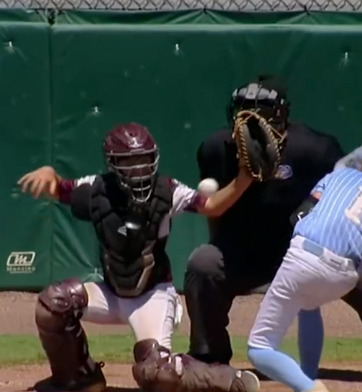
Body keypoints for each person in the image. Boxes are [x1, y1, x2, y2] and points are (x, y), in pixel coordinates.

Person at [17, 123, 260, 392]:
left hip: (151, 295)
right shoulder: (97, 189)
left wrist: (244, 178)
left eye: (144, 161)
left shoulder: (167, 190)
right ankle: (80, 379)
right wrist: (49, 172)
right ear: (113, 163)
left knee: (157, 374)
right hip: (110, 292)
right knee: (55, 303)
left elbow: (213, 206)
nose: (139, 169)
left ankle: (222, 378)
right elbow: (57, 188)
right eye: (130, 162)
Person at [184, 75, 362, 368]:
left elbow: (354, 201)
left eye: (260, 114)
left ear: (282, 117)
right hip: (245, 251)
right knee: (203, 263)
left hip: (314, 246)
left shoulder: (316, 149)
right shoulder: (216, 149)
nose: (249, 123)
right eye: (242, 113)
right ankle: (209, 358)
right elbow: (215, 217)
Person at [246, 143, 362, 392]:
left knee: (259, 348)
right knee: (309, 304)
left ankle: (309, 388)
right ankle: (309, 375)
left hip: (304, 258)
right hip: (345, 275)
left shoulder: (339, 175)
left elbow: (303, 213)